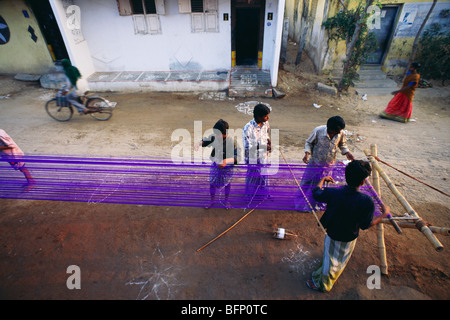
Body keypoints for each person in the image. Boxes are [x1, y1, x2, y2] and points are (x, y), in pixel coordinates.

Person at [305, 160, 389, 292]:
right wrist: (384, 214)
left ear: (346, 176)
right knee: (340, 258)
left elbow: (316, 193)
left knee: (330, 257)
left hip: (332, 233)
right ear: (362, 182)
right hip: (350, 236)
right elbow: (366, 225)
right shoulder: (366, 202)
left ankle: (322, 282)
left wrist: (322, 179)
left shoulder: (333, 193)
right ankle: (324, 279)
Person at [295, 116, 354, 212]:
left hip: (328, 165)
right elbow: (309, 143)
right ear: (330, 128)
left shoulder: (340, 133)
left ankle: (316, 205)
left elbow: (342, 144)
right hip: (315, 162)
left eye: (340, 130)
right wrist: (307, 154)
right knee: (307, 183)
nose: (339, 132)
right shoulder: (318, 131)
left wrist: (347, 152)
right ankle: (301, 204)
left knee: (322, 185)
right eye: (337, 130)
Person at [195, 119, 237, 209]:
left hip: (227, 165)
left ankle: (226, 200)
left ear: (225, 133)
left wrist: (226, 162)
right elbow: (206, 141)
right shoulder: (215, 136)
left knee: (227, 183)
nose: (215, 135)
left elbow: (237, 157)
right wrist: (199, 143)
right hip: (216, 162)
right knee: (212, 182)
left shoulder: (232, 141)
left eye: (217, 134)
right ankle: (212, 200)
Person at [242, 103, 272, 200]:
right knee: (252, 177)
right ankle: (249, 196)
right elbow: (247, 146)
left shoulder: (266, 124)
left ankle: (264, 194)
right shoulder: (248, 128)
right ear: (258, 117)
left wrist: (269, 142)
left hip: (264, 156)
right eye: (266, 116)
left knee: (264, 176)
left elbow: (267, 134)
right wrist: (263, 146)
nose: (268, 118)